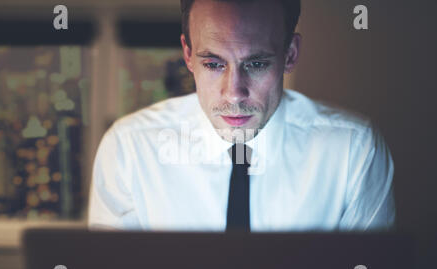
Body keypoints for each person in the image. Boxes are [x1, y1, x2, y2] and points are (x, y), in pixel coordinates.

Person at [88, 0, 395, 231]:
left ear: (290, 55)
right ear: (188, 56)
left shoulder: (353, 150)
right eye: (213, 64)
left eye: (257, 64)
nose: (234, 94)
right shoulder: (128, 148)